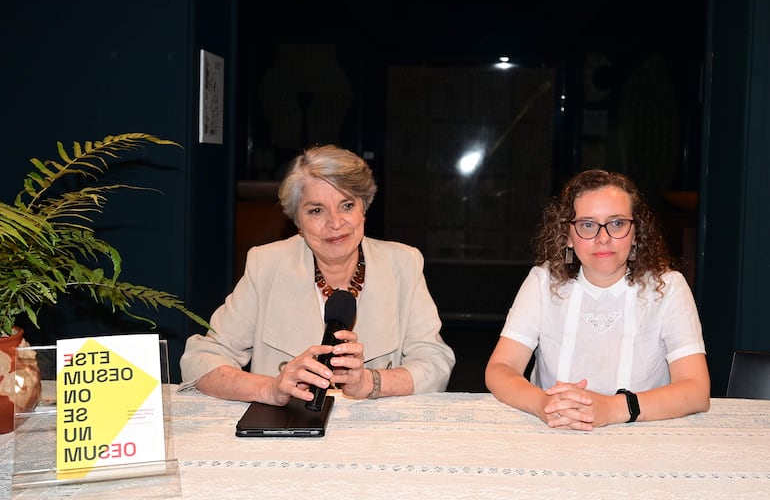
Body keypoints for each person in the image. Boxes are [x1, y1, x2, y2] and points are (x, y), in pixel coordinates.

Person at [180, 144, 455, 405]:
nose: (335, 223)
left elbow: (435, 362)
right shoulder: (266, 264)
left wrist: (371, 382)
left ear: (364, 209)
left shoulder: (403, 263)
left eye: (347, 205)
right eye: (316, 210)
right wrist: (271, 388)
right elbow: (201, 359)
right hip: (286, 436)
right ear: (297, 221)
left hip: (376, 433)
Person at [485, 169, 710, 430]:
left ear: (636, 232)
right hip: (556, 433)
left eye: (616, 223)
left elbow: (696, 391)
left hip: (642, 436)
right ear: (567, 236)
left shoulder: (668, 287)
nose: (603, 239)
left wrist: (611, 408)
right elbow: (500, 368)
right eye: (588, 225)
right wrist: (542, 404)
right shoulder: (542, 282)